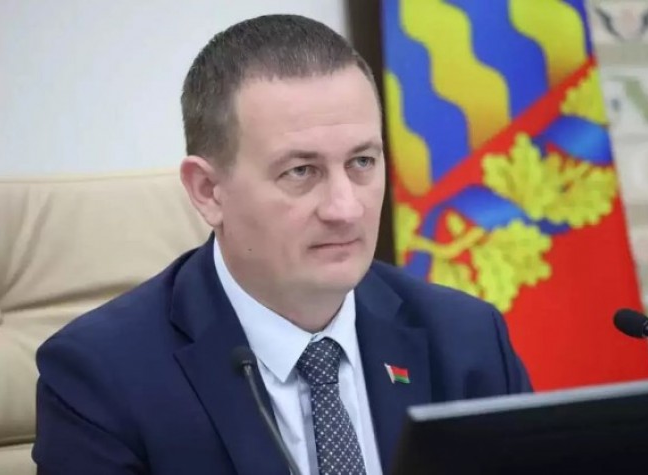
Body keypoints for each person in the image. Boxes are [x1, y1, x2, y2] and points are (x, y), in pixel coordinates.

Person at [33, 14, 531, 475]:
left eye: (362, 162)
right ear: (208, 191)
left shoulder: (467, 339)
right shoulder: (101, 377)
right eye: (301, 171)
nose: (345, 208)